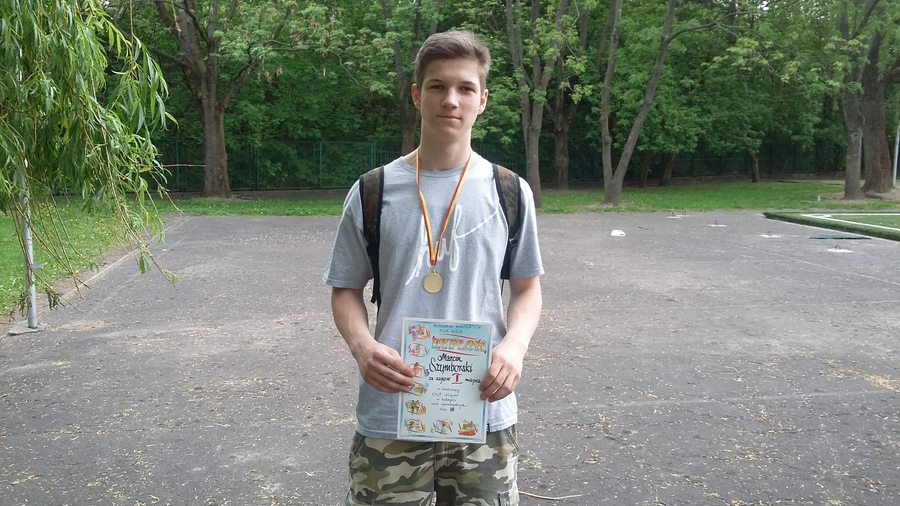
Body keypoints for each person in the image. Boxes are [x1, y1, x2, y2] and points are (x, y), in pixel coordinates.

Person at [323, 30, 543, 506]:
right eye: (438, 86)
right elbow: (345, 288)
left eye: (465, 88)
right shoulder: (373, 191)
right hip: (391, 412)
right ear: (417, 95)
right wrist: (362, 348)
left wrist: (515, 348)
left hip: (484, 411)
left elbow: (527, 287)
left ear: (483, 100)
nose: (451, 99)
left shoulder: (509, 191)